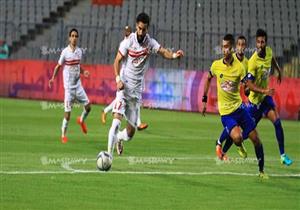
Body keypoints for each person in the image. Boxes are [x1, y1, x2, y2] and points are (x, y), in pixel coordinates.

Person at [107, 12, 184, 157]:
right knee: (116, 123)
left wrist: (174, 55)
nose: (141, 32)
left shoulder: (150, 43)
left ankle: (118, 139)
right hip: (124, 87)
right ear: (136, 26)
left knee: (130, 133)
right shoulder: (128, 41)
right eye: (139, 28)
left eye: (144, 29)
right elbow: (116, 61)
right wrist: (118, 80)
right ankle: (108, 157)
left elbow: (163, 52)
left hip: (135, 93)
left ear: (147, 28)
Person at [216, 30, 293, 166]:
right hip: (253, 101)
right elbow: (247, 83)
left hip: (265, 98)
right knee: (239, 132)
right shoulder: (249, 61)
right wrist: (247, 89)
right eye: (258, 42)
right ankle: (223, 148)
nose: (260, 45)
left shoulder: (262, 55)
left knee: (277, 122)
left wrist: (279, 70)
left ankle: (282, 155)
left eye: (262, 42)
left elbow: (271, 59)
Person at [202, 34, 268, 178]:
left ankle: (261, 171)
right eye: (223, 47)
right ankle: (237, 146)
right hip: (226, 113)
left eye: (227, 47)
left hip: (239, 109)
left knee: (256, 139)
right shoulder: (216, 65)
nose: (224, 50)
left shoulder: (240, 67)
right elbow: (208, 79)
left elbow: (245, 86)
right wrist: (204, 99)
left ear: (232, 49)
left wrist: (247, 89)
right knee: (237, 138)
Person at [101, 26, 149, 131]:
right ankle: (137, 123)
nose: (127, 32)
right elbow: (118, 60)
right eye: (126, 30)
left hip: (136, 76)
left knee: (130, 98)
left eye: (129, 30)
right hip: (125, 76)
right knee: (125, 98)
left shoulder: (135, 42)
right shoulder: (126, 42)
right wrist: (118, 78)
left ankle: (105, 111)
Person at [49, 28, 91, 143]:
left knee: (88, 107)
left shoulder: (79, 51)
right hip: (69, 88)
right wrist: (53, 78)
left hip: (78, 86)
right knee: (67, 115)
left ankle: (81, 120)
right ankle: (63, 135)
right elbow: (58, 66)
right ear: (69, 38)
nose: (74, 38)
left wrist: (84, 72)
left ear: (77, 38)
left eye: (76, 36)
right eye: (72, 35)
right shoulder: (65, 52)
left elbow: (78, 66)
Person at [215, 35, 249, 160]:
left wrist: (247, 89)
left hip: (240, 101)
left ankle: (224, 147)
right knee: (233, 129)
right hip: (229, 105)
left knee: (239, 132)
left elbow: (247, 81)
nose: (241, 47)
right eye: (239, 44)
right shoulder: (230, 59)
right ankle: (220, 146)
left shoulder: (246, 63)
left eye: (243, 44)